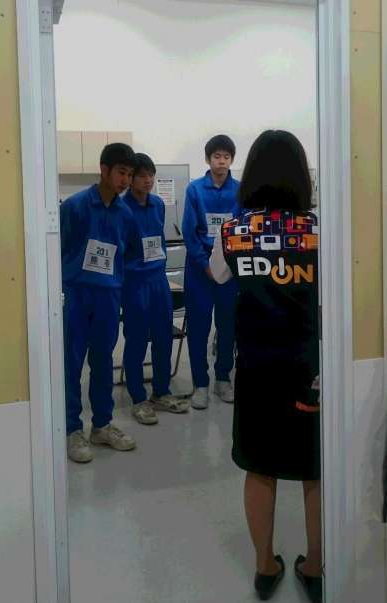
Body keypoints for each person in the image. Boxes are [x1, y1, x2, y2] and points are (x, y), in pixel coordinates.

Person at [210, 130, 321, 603]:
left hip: (255, 367)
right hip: (309, 370)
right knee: (316, 468)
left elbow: (217, 274)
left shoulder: (234, 230)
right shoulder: (317, 230)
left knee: (259, 468)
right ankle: (315, 567)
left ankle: (264, 567)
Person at [61, 143, 139, 463]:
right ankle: (71, 428)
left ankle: (102, 425)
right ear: (104, 170)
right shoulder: (75, 206)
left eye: (130, 175)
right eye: (121, 172)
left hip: (108, 296)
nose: (125, 180)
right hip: (77, 295)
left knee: (103, 361)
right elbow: (58, 251)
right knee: (71, 363)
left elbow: (126, 254)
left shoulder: (126, 214)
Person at [122, 153, 190, 424]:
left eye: (151, 175)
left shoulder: (158, 204)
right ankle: (138, 399)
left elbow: (158, 239)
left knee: (163, 338)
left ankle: (161, 392)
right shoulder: (121, 208)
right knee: (137, 340)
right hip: (134, 282)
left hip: (158, 279)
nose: (148, 180)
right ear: (131, 179)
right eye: (142, 176)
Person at [182, 134, 239, 409]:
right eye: (217, 156)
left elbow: (242, 229)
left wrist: (230, 265)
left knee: (228, 326)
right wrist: (205, 265)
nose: (221, 161)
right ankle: (200, 384)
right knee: (198, 328)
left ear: (231, 160)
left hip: (229, 270)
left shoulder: (240, 191)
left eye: (226, 157)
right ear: (208, 159)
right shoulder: (194, 190)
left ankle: (223, 379)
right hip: (199, 271)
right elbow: (189, 232)